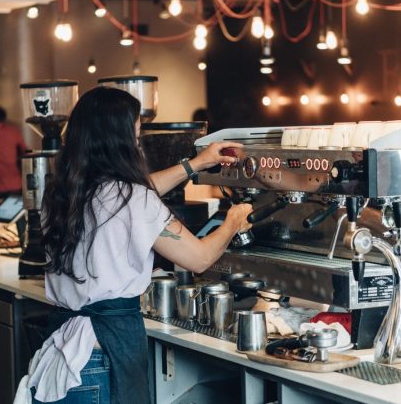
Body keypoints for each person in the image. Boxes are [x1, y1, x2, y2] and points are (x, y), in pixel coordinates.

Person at [14, 87, 252, 404]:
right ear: (120, 142)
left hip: (63, 357)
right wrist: (233, 221)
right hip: (101, 362)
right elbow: (200, 258)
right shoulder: (133, 200)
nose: (137, 144)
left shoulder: (60, 193)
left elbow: (131, 195)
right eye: (135, 136)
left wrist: (196, 164)